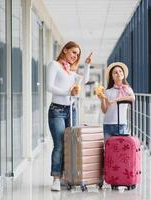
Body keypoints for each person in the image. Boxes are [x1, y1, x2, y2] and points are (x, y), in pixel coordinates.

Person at [47, 41, 92, 191]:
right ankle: (56, 178)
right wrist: (68, 92)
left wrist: (86, 65)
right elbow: (49, 87)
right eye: (73, 52)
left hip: (71, 110)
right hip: (57, 111)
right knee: (59, 144)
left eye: (77, 54)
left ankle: (66, 176)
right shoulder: (54, 65)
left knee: (70, 143)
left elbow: (84, 81)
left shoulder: (70, 72)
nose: (75, 56)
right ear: (65, 50)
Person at [97, 62, 135, 142]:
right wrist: (102, 99)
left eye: (120, 71)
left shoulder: (127, 89)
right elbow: (104, 110)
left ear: (123, 74)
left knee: (122, 150)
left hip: (121, 123)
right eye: (115, 72)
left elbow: (132, 98)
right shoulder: (107, 91)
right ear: (112, 77)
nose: (118, 73)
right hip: (108, 124)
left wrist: (116, 100)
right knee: (108, 149)